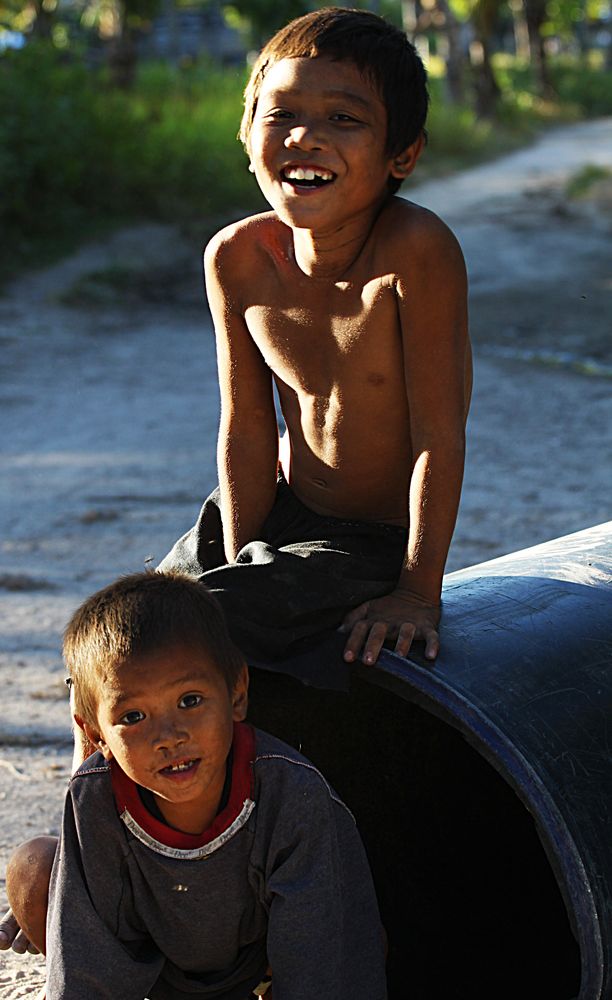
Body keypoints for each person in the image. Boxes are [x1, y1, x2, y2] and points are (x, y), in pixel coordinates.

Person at [157, 6, 471, 680]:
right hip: (271, 510)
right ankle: (93, 781)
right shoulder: (236, 257)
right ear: (247, 135)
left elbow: (437, 438)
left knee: (200, 633)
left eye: (343, 119)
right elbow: (244, 424)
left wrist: (418, 593)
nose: (305, 136)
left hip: (366, 545)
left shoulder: (414, 252)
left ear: (402, 156)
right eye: (281, 115)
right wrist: (245, 553)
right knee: (130, 626)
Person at [3, 572, 388, 1000]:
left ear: (237, 693)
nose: (169, 736)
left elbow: (322, 962)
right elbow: (85, 970)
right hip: (159, 976)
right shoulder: (94, 800)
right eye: (133, 717)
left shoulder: (290, 792)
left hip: (265, 964)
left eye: (190, 701)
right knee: (33, 867)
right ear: (95, 733)